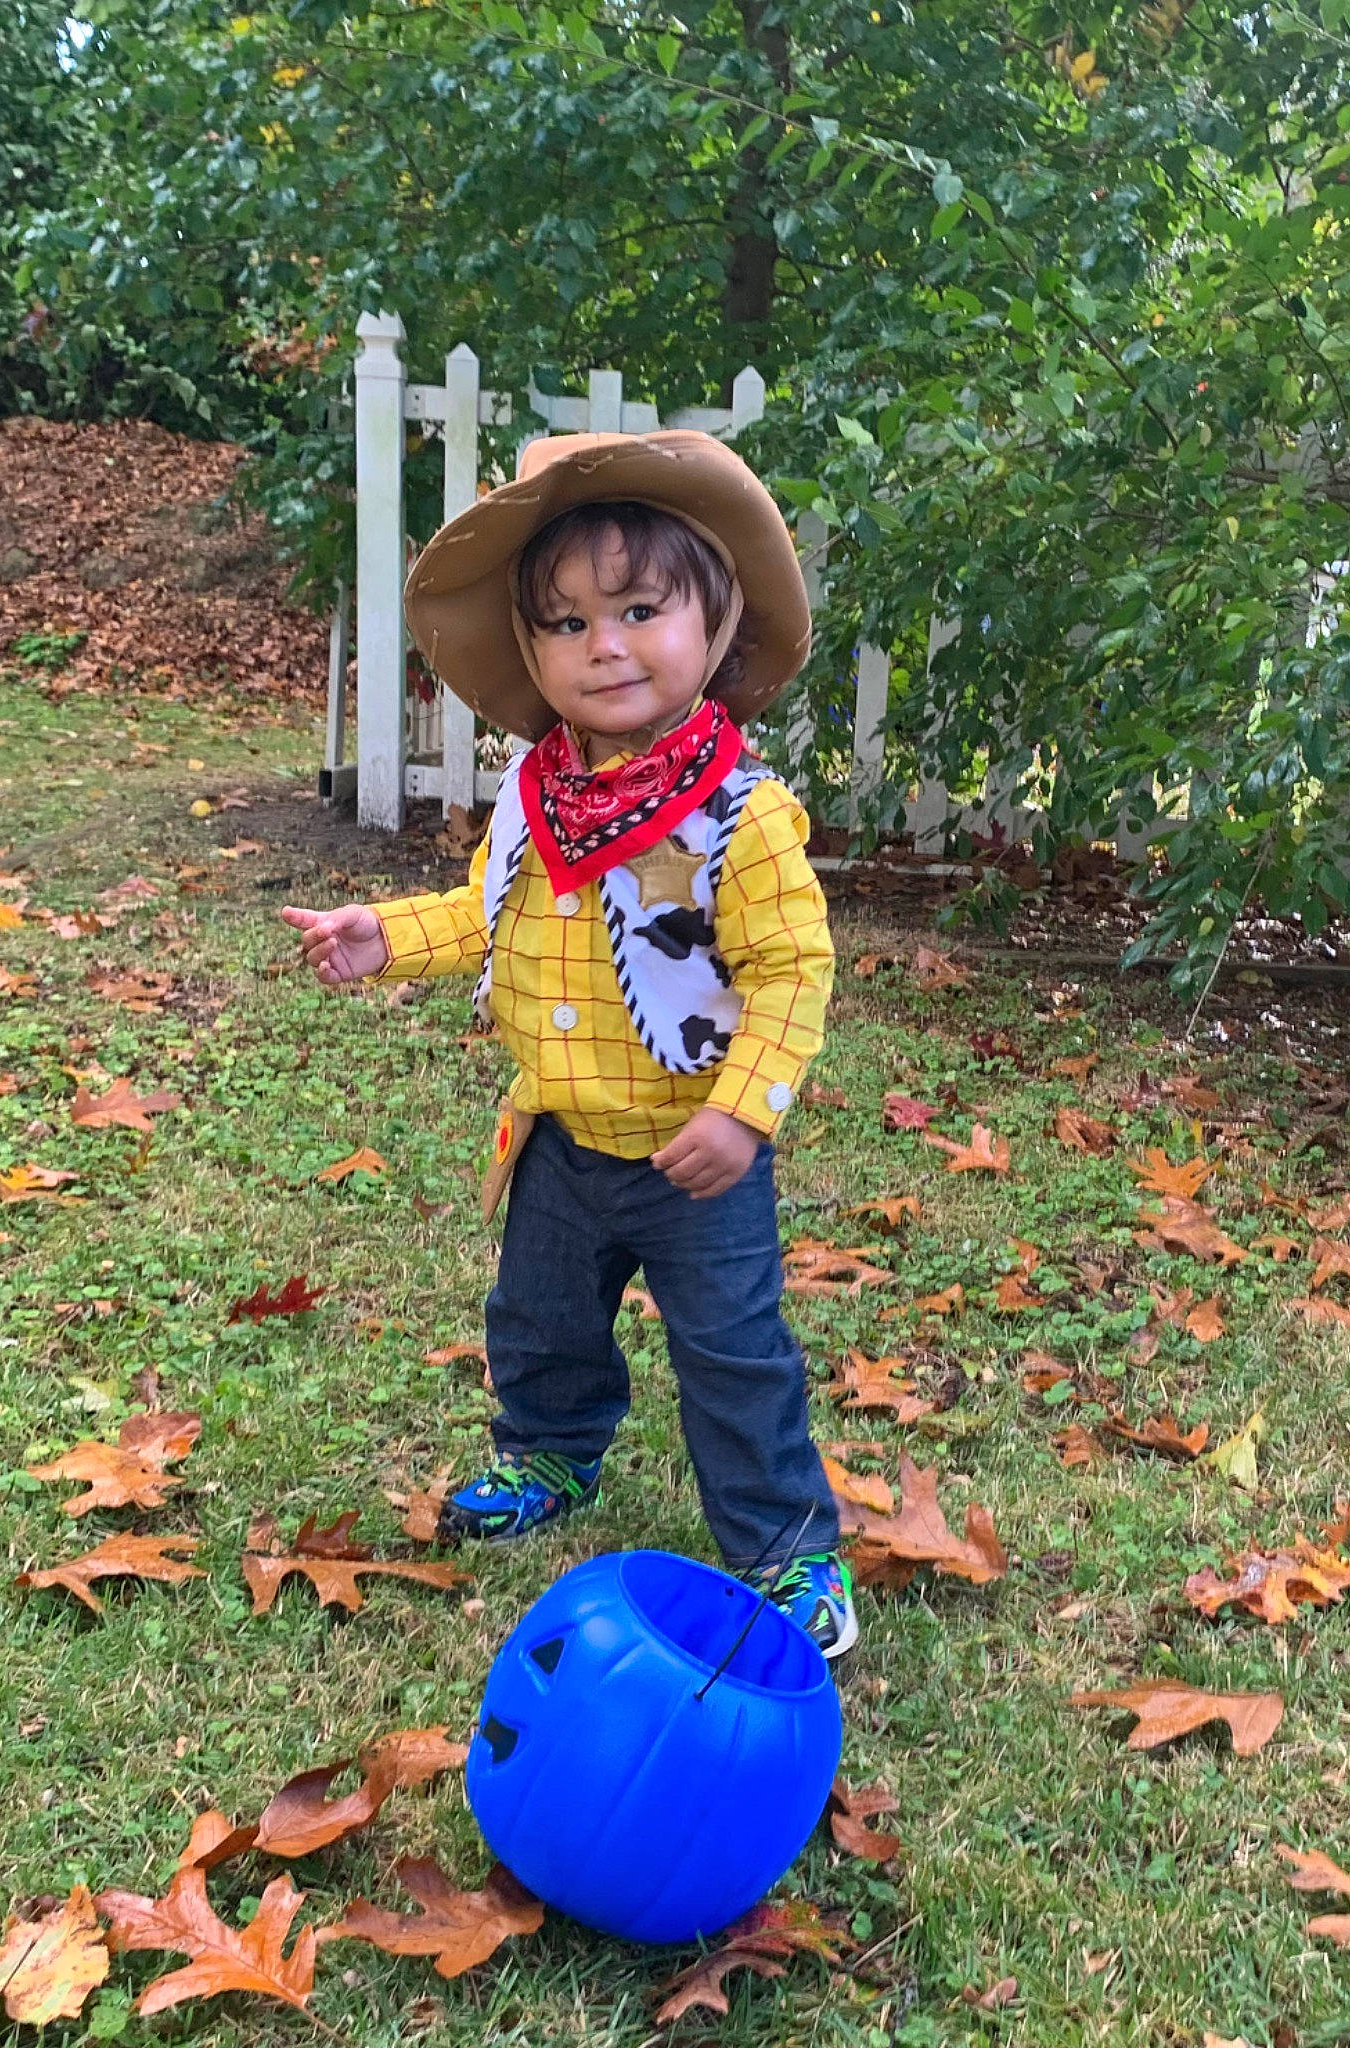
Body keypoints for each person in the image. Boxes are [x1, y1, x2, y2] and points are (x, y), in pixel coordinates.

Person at [283, 430, 853, 1657]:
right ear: (530, 653)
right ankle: (549, 1452)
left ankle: (786, 1546)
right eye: (565, 622)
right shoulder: (535, 795)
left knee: (732, 1352)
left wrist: (740, 1109)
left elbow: (790, 972)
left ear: (713, 619)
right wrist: (381, 935)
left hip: (693, 1156)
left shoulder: (736, 819)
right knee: (536, 1316)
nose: (604, 644)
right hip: (559, 1134)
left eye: (640, 608)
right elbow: (483, 914)